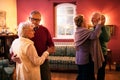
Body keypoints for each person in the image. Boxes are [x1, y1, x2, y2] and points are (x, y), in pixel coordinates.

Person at [11, 10, 55, 80]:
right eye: (33, 19)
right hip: (27, 64)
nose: (35, 21)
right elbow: (17, 45)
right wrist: (13, 56)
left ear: (40, 20)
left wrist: (49, 51)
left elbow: (51, 45)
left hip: (43, 62)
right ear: (29, 18)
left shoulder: (45, 30)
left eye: (38, 20)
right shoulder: (23, 30)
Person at [74, 14, 104, 80]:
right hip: (84, 58)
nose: (86, 22)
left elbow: (92, 34)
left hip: (79, 58)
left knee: (81, 74)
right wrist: (99, 24)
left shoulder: (77, 31)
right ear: (82, 22)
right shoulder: (84, 31)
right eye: (85, 21)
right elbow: (95, 35)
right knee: (85, 76)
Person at [91, 13, 111, 80]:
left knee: (101, 72)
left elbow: (107, 38)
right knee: (92, 71)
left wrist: (102, 27)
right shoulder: (92, 28)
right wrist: (96, 27)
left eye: (102, 19)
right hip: (93, 53)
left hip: (102, 53)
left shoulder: (107, 28)